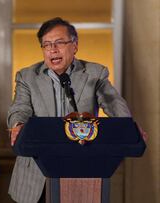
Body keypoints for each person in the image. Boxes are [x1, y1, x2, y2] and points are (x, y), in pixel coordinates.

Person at [7, 17, 132, 203]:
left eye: (59, 43)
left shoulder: (94, 73)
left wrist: (127, 126)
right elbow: (20, 107)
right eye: (46, 45)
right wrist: (18, 125)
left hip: (82, 170)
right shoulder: (27, 77)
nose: (52, 50)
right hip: (35, 178)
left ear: (75, 45)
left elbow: (112, 102)